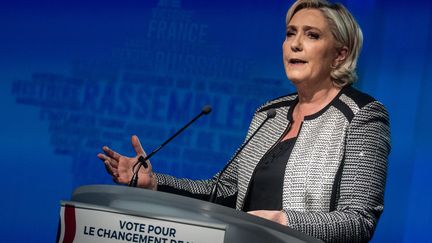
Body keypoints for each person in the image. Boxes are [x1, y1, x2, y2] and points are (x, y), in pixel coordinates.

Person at [97, 0, 390, 242]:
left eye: (312, 35)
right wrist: (154, 183)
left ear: (340, 54)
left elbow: (358, 221)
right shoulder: (269, 113)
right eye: (290, 33)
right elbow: (225, 191)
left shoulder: (362, 115)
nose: (295, 45)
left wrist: (280, 220)